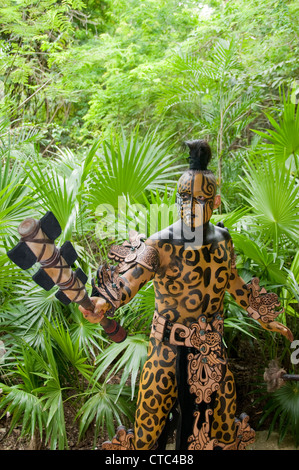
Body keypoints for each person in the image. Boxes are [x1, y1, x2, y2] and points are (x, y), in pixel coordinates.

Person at [79, 140, 293, 450]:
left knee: (222, 430)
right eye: (184, 197)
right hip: (166, 351)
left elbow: (233, 282)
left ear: (215, 202)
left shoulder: (223, 240)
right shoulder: (161, 243)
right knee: (146, 434)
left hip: (211, 352)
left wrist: (264, 316)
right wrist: (103, 301)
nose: (189, 205)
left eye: (199, 199)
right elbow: (130, 281)